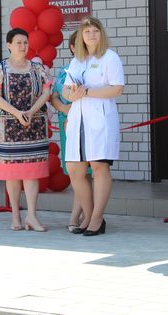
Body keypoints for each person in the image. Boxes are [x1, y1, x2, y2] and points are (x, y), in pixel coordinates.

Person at [62, 17, 124, 237]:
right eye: (87, 31)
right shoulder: (77, 61)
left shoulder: (110, 58)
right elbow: (65, 91)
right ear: (81, 36)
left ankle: (96, 218)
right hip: (78, 120)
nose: (91, 34)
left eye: (95, 30)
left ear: (101, 33)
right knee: (75, 169)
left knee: (99, 166)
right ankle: (88, 215)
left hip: (100, 120)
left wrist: (87, 92)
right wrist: (73, 94)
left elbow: (117, 89)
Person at [0, 28, 51, 232]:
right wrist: (17, 113)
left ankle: (32, 215)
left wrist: (30, 112)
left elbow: (46, 93)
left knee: (32, 172)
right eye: (18, 42)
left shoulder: (38, 68)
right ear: (9, 45)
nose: (23, 46)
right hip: (7, 127)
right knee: (12, 173)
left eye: (25, 42)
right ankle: (15, 215)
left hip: (34, 125)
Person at [51, 30, 91, 232]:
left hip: (86, 124)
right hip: (66, 122)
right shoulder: (64, 71)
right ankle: (81, 214)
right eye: (78, 44)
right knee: (75, 172)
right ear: (72, 47)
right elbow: (54, 96)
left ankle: (80, 215)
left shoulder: (93, 67)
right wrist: (65, 109)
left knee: (87, 172)